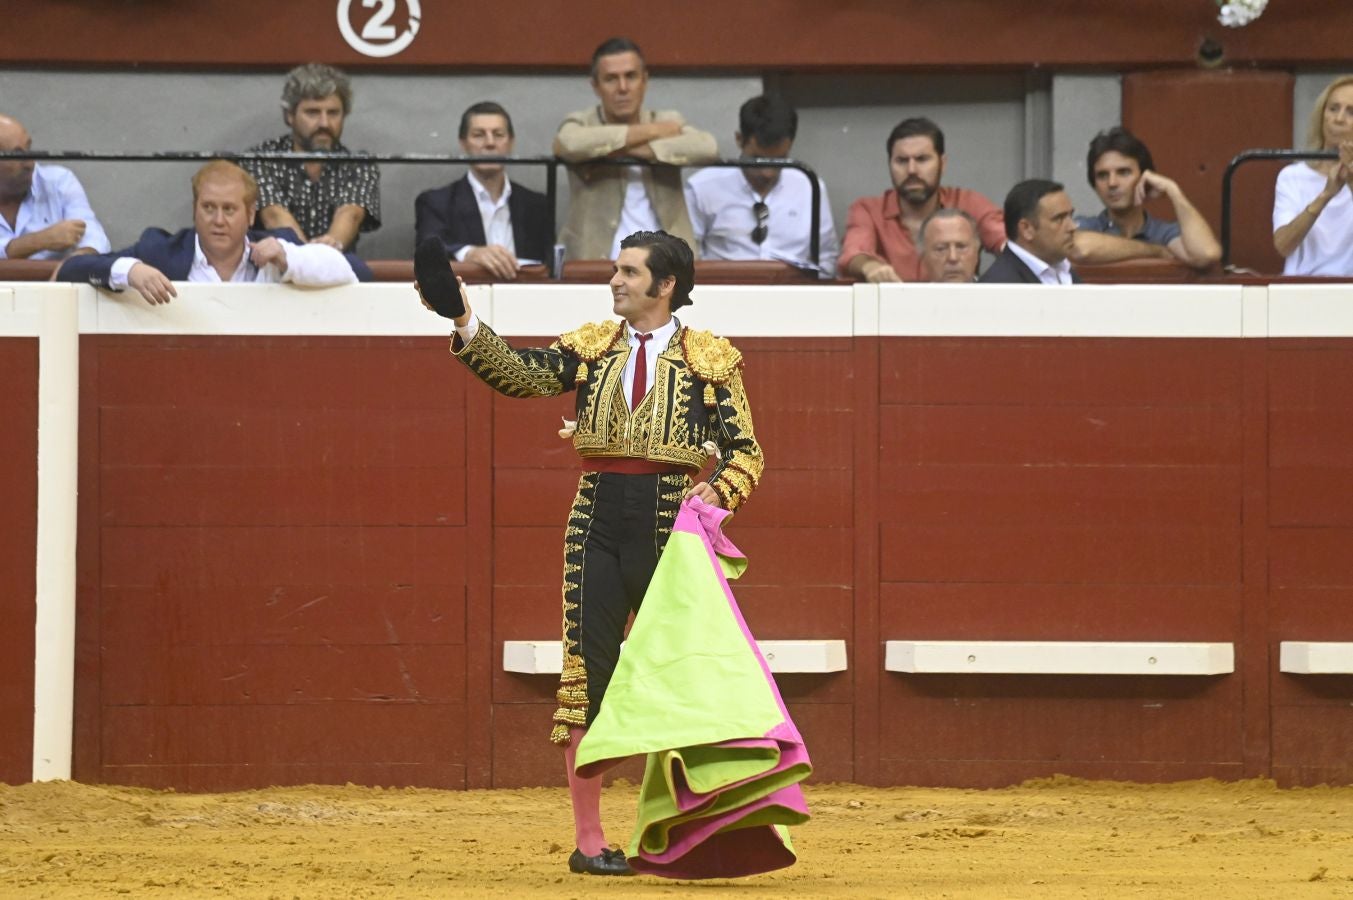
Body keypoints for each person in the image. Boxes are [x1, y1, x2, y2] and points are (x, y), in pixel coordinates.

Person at [413, 229, 762, 876]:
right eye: (615, 269)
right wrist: (461, 317)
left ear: (666, 286)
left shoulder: (711, 360)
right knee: (585, 679)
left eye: (629, 272)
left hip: (669, 525)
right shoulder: (592, 348)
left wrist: (717, 494)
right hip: (596, 517)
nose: (615, 281)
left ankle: (692, 833)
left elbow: (746, 451)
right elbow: (518, 375)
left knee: (685, 681)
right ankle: (590, 838)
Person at [57, 160, 363, 303]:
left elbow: (361, 272)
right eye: (208, 208)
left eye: (229, 210)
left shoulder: (280, 246)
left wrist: (289, 258)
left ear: (251, 214)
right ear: (195, 209)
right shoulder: (162, 250)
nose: (218, 220)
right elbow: (72, 270)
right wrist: (131, 270)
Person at [553, 37, 718, 261]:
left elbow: (707, 147)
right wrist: (652, 132)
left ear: (644, 80)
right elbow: (569, 143)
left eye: (630, 76)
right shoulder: (582, 122)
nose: (622, 88)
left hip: (666, 262)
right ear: (595, 86)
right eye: (611, 79)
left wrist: (609, 151)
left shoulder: (668, 118)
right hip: (596, 260)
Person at [683, 94, 839, 275]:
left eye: (779, 160)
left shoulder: (809, 187)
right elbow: (687, 258)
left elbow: (827, 257)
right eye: (758, 159)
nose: (768, 173)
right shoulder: (702, 187)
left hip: (794, 295)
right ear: (739, 139)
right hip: (725, 294)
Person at [839, 117, 1005, 282]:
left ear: (943, 163)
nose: (912, 170)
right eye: (902, 161)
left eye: (922, 159)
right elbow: (853, 253)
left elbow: (1007, 243)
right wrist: (870, 267)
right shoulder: (868, 210)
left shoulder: (969, 203)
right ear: (889, 164)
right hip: (894, 306)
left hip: (958, 304)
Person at [243, 63, 380, 251]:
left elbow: (351, 215)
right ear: (290, 115)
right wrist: (309, 263)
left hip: (336, 266)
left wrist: (321, 261)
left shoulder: (358, 164)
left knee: (361, 272)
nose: (324, 123)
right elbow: (273, 216)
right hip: (275, 266)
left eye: (333, 113)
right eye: (312, 112)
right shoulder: (261, 159)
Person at [414, 101, 552, 280]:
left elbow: (549, 264)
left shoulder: (536, 204)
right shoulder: (436, 202)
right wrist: (469, 253)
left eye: (498, 134)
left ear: (511, 142)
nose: (490, 143)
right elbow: (427, 250)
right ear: (463, 144)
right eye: (479, 135)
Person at [1079, 127, 1221, 270]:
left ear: (1144, 178)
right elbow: (1082, 248)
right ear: (1094, 185)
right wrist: (1155, 251)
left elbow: (1206, 254)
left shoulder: (1163, 232)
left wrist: (1173, 190)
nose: (1112, 183)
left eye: (1123, 172)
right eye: (1102, 175)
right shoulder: (1088, 226)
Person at [0, 113, 110, 260]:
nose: (29, 163)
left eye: (29, 148)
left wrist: (80, 259)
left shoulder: (59, 181)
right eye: (17, 154)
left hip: (55, 280)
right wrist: (38, 241)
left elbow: (93, 236)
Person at [1273, 74, 1353, 276]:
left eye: (1351, 112)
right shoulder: (1292, 176)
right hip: (1302, 289)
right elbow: (1283, 245)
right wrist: (1325, 195)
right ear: (1322, 114)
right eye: (1333, 108)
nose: (1339, 118)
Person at [980, 179, 1081, 284]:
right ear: (1027, 229)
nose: (1072, 227)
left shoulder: (1064, 270)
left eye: (1070, 216)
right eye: (1059, 219)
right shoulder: (999, 285)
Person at [918, 208, 981, 282]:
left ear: (976, 254)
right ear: (923, 257)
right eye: (941, 249)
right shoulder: (910, 293)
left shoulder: (996, 293)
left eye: (961, 247)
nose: (953, 257)